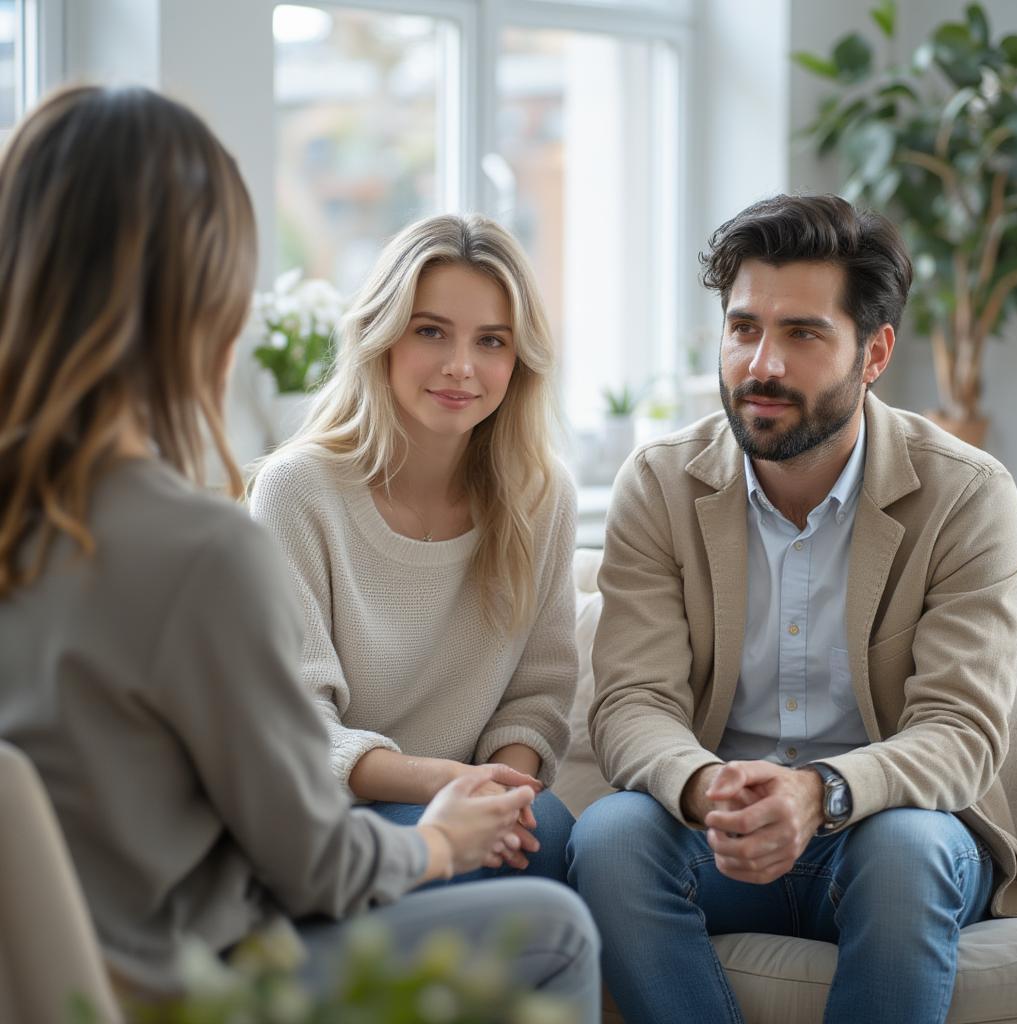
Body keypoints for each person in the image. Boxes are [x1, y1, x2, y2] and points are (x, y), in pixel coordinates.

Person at [0, 84, 600, 1018]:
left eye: (492, 343)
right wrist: (440, 837)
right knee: (557, 933)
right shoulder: (199, 547)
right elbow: (316, 860)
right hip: (188, 984)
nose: (461, 366)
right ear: (202, 304)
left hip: (59, 984)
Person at [567, 193, 1017, 1024]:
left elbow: (962, 734)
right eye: (744, 328)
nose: (761, 365)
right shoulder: (661, 484)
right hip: (716, 828)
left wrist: (822, 794)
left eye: (803, 334)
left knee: (907, 849)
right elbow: (634, 702)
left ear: (875, 351)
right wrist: (706, 787)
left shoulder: (967, 495)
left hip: (884, 829)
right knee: (609, 838)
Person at [249, 213, 578, 885]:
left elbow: (536, 696)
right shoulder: (298, 491)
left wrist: (500, 796)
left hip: (467, 798)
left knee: (555, 838)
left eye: (492, 341)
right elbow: (296, 722)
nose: (462, 367)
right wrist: (446, 789)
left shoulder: (542, 497)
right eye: (431, 331)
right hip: (337, 813)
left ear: (519, 361)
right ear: (382, 337)